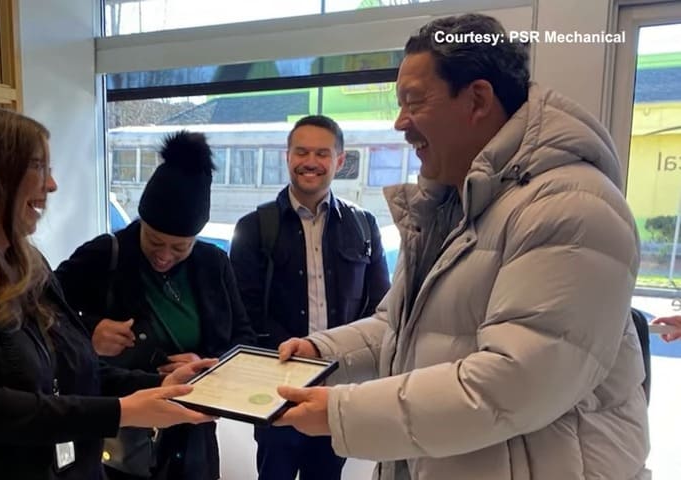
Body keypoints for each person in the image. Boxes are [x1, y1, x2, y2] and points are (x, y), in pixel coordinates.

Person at [274, 13, 649, 480]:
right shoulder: (454, 202)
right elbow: (398, 324)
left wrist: (341, 413)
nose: (400, 123)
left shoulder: (571, 208)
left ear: (477, 99)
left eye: (414, 101)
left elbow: (514, 383)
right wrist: (319, 351)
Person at [0, 108, 216, 480]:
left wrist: (157, 385)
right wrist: (121, 411)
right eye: (39, 167)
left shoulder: (26, 263)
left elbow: (70, 370)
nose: (51, 185)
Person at [55, 130, 256, 480]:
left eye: (180, 248)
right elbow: (45, 317)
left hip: (191, 432)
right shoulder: (104, 255)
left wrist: (209, 365)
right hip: (121, 434)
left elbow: (242, 340)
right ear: (141, 222)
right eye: (154, 241)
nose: (164, 256)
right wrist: (90, 330)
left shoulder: (214, 264)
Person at [229, 114, 389, 480]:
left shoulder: (364, 225)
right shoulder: (254, 228)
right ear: (287, 156)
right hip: (276, 393)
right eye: (301, 152)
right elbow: (244, 315)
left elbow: (380, 310)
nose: (310, 162)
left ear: (340, 161)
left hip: (338, 393)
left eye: (322, 153)